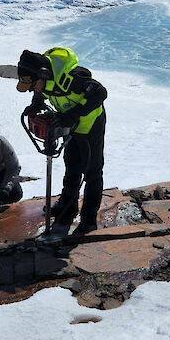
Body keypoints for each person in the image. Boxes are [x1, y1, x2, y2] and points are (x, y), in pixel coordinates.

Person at [16, 47, 107, 237]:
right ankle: (68, 205)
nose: (33, 89)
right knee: (72, 164)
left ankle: (88, 219)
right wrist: (36, 104)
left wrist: (73, 115)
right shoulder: (44, 77)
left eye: (33, 85)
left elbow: (100, 93)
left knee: (92, 172)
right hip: (70, 125)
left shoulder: (74, 78)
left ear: (42, 75)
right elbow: (41, 92)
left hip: (91, 125)